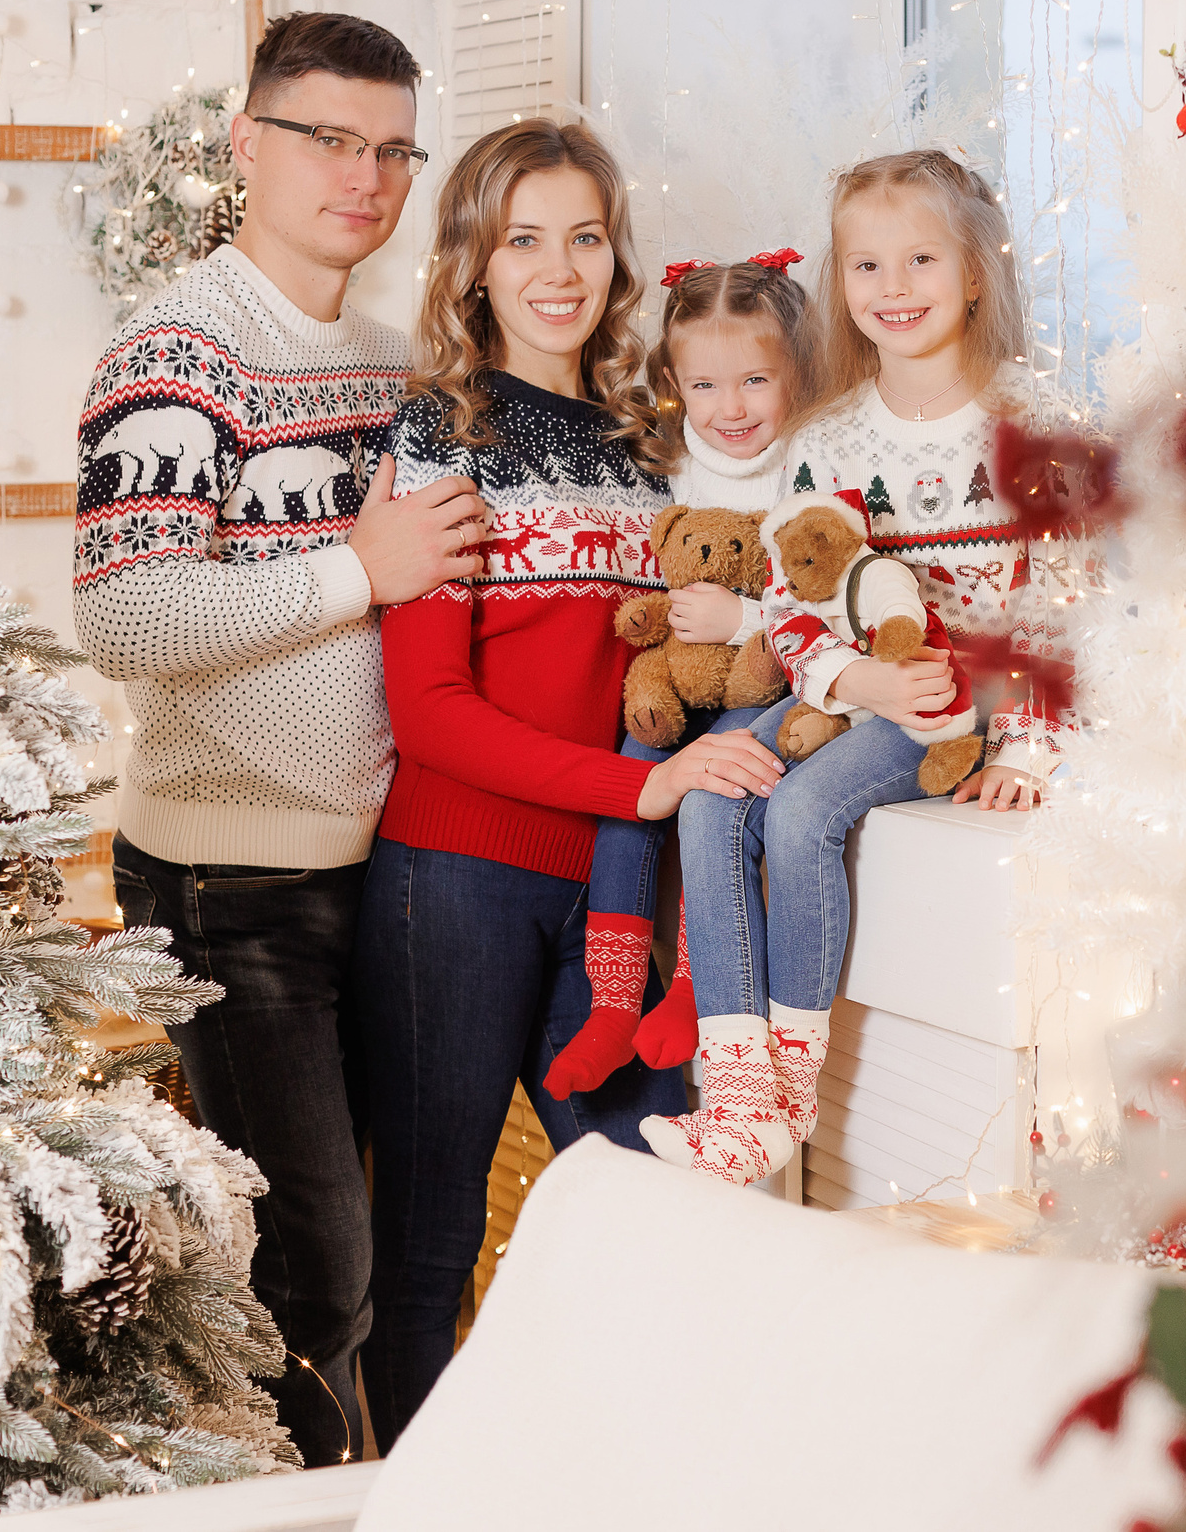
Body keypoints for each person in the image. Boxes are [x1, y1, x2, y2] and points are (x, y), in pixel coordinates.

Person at [73, 12, 486, 1467]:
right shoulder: (178, 351)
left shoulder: (387, 366)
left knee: (374, 1245)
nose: (364, 175)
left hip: (387, 865)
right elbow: (127, 616)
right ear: (249, 144)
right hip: (227, 879)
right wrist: (357, 571)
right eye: (328, 138)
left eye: (391, 148)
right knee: (315, 1265)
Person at [356, 119, 787, 1446]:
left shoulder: (656, 441)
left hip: (604, 894)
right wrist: (637, 792)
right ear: (473, 261)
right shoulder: (442, 433)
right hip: (456, 881)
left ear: (617, 254)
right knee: (426, 1259)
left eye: (585, 237)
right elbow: (428, 715)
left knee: (670, 1211)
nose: (560, 267)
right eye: (524, 237)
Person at [640, 150, 1083, 1184]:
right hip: (843, 689)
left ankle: (789, 1087)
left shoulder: (1032, 424)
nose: (893, 289)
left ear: (975, 272)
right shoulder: (825, 439)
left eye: (920, 260)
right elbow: (792, 613)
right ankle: (739, 1093)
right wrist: (854, 681)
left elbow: (1070, 607)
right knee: (709, 793)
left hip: (944, 704)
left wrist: (1027, 747)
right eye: (866, 266)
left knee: (798, 817)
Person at [542, 249, 817, 1097]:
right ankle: (615, 999)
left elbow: (839, 592)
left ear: (795, 375)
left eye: (755, 383)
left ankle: (700, 985)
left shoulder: (809, 465)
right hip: (677, 677)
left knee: (717, 789)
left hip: (763, 684)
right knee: (633, 779)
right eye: (704, 387)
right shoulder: (667, 462)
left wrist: (749, 620)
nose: (729, 409)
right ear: (674, 382)